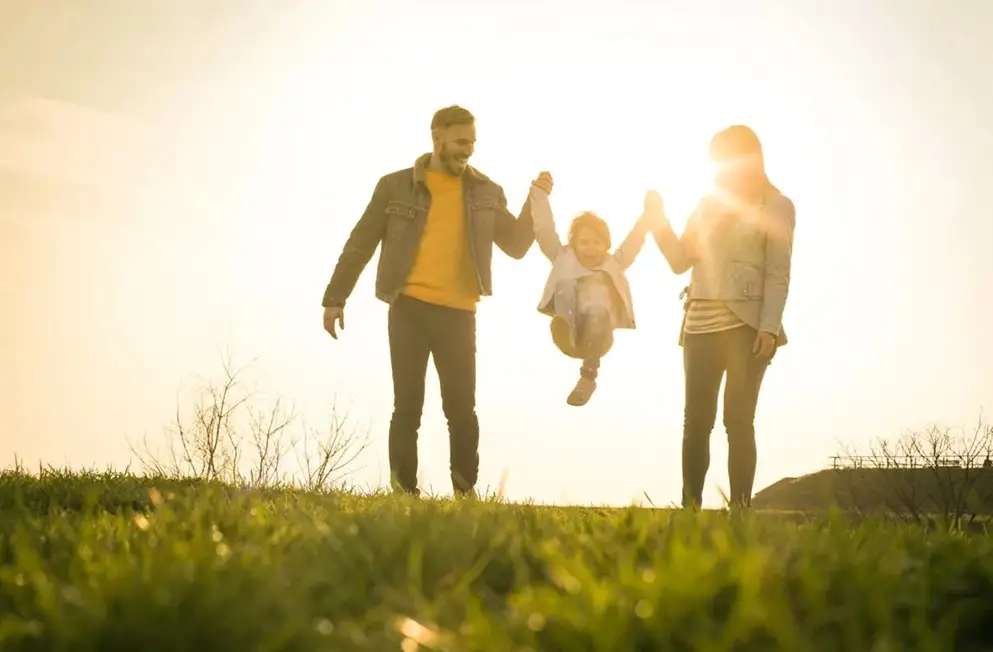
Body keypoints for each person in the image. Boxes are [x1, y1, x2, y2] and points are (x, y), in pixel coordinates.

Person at [320, 105, 548, 497]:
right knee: (407, 408)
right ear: (436, 137)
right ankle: (403, 495)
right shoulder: (395, 186)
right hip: (409, 308)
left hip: (459, 313)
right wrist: (335, 298)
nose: (468, 150)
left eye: (473, 142)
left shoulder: (486, 191)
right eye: (461, 141)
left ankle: (465, 494)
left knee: (461, 411)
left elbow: (516, 245)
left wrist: (535, 201)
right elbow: (361, 242)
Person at [651, 125, 796, 510]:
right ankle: (690, 511)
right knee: (696, 423)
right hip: (698, 323)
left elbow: (778, 272)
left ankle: (740, 512)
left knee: (738, 421)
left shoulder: (776, 205)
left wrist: (769, 328)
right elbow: (679, 260)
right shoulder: (707, 203)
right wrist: (658, 222)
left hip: (747, 325)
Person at [528, 176, 660, 406]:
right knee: (566, 285)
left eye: (597, 243)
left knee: (598, 308)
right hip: (571, 333)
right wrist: (539, 193)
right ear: (574, 244)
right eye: (585, 242)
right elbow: (544, 230)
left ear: (606, 245)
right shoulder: (563, 257)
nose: (591, 249)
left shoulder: (614, 264)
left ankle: (588, 378)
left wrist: (649, 215)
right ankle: (567, 330)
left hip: (599, 336)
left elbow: (635, 240)